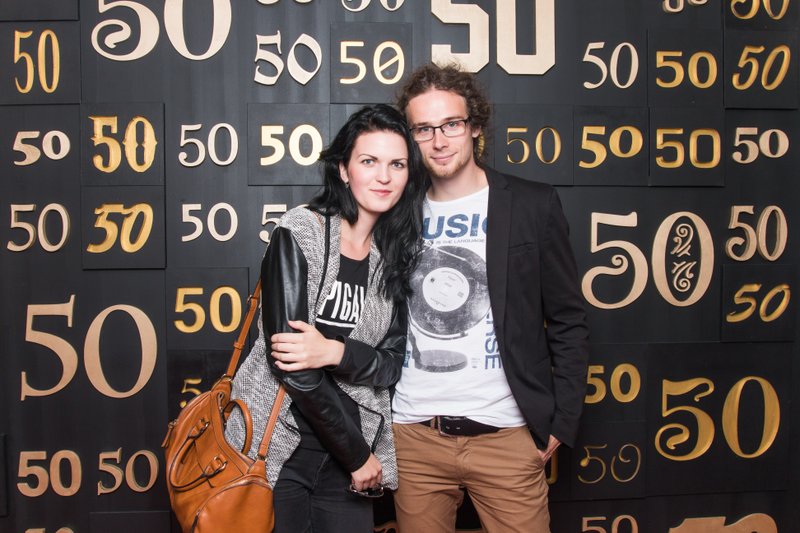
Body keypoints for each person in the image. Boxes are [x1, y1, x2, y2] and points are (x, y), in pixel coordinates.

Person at [391, 64, 590, 532]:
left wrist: (562, 422)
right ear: (411, 137)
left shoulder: (533, 204)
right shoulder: (395, 210)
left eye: (451, 124)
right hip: (413, 437)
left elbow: (568, 320)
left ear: (475, 125)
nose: (439, 141)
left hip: (507, 435)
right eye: (423, 129)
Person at [225, 104, 427, 533]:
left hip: (346, 464)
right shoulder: (301, 232)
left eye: (397, 164)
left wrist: (334, 351)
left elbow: (391, 365)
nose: (384, 176)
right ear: (343, 170)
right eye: (369, 161)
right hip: (274, 450)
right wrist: (357, 455)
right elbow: (291, 365)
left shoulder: (391, 258)